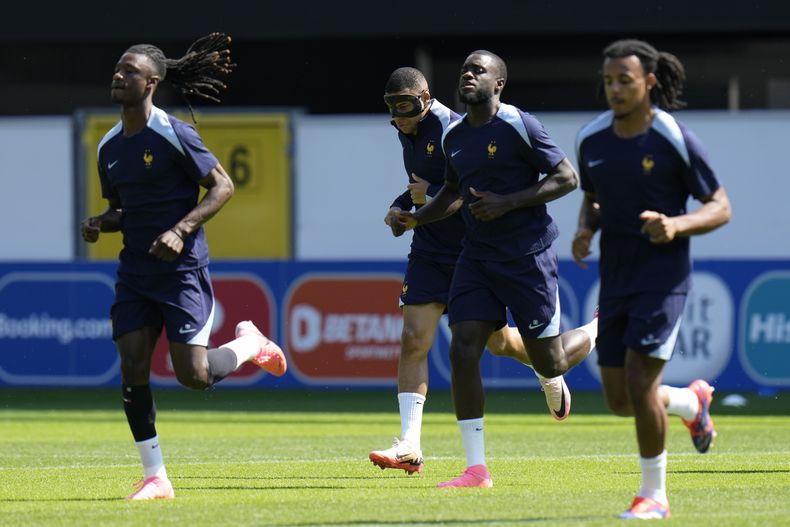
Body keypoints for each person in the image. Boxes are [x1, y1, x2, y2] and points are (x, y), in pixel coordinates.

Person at [80, 33, 287, 501]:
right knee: (132, 365)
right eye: (117, 68)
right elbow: (123, 211)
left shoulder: (173, 132)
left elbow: (223, 186)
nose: (118, 76)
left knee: (193, 376)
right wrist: (100, 222)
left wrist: (182, 228)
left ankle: (249, 344)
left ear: (151, 82)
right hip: (135, 272)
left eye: (129, 71)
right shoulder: (108, 146)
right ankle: (157, 477)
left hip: (181, 272)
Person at [390, 51, 598, 488]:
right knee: (463, 349)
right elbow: (449, 191)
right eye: (464, 68)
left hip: (527, 256)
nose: (468, 73)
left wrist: (510, 201)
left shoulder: (520, 124)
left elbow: (567, 178)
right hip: (476, 256)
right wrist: (417, 218)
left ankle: (599, 329)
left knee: (551, 358)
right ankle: (476, 469)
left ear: (499, 84)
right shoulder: (456, 138)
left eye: (479, 70)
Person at [572, 39, 732, 519]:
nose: (615, 89)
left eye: (625, 80)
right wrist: (585, 228)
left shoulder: (673, 137)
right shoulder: (591, 140)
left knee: (642, 382)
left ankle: (653, 496)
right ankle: (691, 401)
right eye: (608, 81)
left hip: (664, 277)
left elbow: (721, 206)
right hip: (615, 277)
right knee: (621, 399)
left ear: (649, 82)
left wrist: (676, 225)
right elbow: (595, 197)